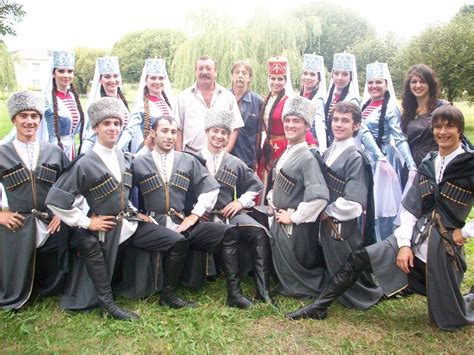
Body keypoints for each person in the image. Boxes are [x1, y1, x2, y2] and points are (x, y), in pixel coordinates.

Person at [286, 104, 474, 331]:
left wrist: (463, 233)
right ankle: (319, 306)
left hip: (443, 248)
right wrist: (404, 244)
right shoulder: (429, 163)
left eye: (449, 127)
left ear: (460, 130)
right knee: (361, 257)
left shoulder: (469, 165)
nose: (442, 132)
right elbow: (412, 207)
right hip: (415, 237)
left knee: (449, 317)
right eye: (438, 127)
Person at [46, 97, 193, 320]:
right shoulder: (85, 162)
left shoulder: (122, 157)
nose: (112, 128)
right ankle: (108, 304)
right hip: (105, 229)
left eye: (116, 123)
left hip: (130, 225)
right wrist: (86, 222)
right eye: (106, 123)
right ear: (95, 127)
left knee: (177, 241)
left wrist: (135, 211)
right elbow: (55, 200)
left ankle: (168, 294)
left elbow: (121, 192)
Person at [132, 115, 254, 309]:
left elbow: (211, 187)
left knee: (228, 233)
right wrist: (135, 213)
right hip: (154, 224)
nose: (170, 136)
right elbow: (121, 191)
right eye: (164, 131)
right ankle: (168, 295)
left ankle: (234, 294)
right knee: (178, 241)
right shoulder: (138, 162)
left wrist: (195, 215)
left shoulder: (187, 160)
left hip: (182, 221)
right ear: (153, 133)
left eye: (173, 132)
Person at [284, 101, 382, 313]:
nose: (339, 124)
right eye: (336, 119)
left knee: (347, 275)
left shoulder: (355, 157)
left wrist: (325, 211)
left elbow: (355, 205)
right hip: (325, 227)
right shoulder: (329, 151)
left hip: (341, 228)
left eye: (345, 121)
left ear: (356, 126)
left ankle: (364, 294)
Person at [0, 91, 70, 310]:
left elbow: (70, 185)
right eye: (23, 116)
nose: (29, 121)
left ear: (40, 120)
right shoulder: (2, 153)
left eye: (34, 116)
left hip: (50, 221)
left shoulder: (54, 151)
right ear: (14, 120)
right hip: (18, 222)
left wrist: (61, 213)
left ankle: (51, 288)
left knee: (70, 240)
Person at [199, 108, 272, 303]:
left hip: (227, 214)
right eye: (215, 131)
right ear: (206, 132)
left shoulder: (234, 162)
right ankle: (234, 291)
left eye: (224, 132)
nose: (219, 136)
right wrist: (195, 212)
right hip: (202, 219)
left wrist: (239, 202)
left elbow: (255, 185)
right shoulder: (193, 159)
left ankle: (262, 290)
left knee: (260, 232)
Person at [268, 95, 329, 297]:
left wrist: (293, 217)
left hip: (294, 228)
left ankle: (311, 284)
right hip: (279, 221)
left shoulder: (308, 157)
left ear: (306, 126)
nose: (290, 125)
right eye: (287, 120)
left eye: (296, 121)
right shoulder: (287, 152)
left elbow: (319, 197)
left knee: (298, 278)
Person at [359, 62, 417, 241]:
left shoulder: (390, 107)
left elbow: (399, 138)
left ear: (386, 84)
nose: (374, 86)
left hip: (383, 162)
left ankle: (384, 248)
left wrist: (411, 165)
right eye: (370, 82)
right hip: (368, 159)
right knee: (367, 206)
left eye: (378, 82)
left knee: (382, 210)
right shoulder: (368, 104)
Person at [256, 57, 316, 201]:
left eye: (280, 79)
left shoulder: (289, 101)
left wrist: (312, 144)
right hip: (267, 149)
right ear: (268, 79)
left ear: (285, 80)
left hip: (283, 147)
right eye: (273, 78)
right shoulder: (266, 99)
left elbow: (298, 124)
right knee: (263, 185)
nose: (276, 82)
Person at [175, 56, 244, 153]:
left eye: (208, 68)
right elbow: (178, 128)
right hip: (190, 155)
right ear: (195, 72)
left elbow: (235, 127)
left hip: (218, 155)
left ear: (215, 72)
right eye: (200, 69)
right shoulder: (183, 97)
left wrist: (226, 151)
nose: (204, 72)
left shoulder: (228, 97)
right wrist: (179, 156)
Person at [117, 58, 173, 154]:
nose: (157, 82)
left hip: (168, 152)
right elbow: (130, 130)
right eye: (153, 78)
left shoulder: (168, 103)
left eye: (161, 78)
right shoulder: (141, 105)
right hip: (150, 153)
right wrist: (116, 150)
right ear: (146, 80)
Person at [42, 51, 86, 159]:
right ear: (53, 73)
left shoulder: (73, 97)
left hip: (71, 149)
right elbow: (25, 122)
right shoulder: (46, 98)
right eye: (61, 71)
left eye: (70, 71)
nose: (66, 75)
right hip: (54, 151)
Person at [401, 64, 448, 167]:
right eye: (414, 82)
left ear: (430, 84)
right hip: (411, 167)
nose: (418, 85)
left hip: (434, 165)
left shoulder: (442, 108)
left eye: (422, 81)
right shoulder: (408, 111)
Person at [82, 56, 130, 153]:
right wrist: (83, 156)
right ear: (100, 80)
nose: (112, 80)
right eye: (107, 76)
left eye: (115, 76)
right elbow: (90, 136)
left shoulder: (122, 102)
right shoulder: (97, 104)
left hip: (123, 152)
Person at [229, 60, 263, 169]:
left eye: (244, 73)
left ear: (249, 78)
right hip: (224, 156)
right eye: (237, 72)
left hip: (246, 158)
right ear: (232, 76)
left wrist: (256, 158)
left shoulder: (257, 101)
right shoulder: (223, 98)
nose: (240, 76)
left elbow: (258, 134)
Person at [325, 52, 360, 145]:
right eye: (336, 73)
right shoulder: (328, 97)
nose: (339, 78)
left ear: (351, 77)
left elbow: (358, 131)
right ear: (332, 75)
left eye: (345, 74)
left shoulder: (352, 100)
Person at [300, 54, 327, 152]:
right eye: (305, 73)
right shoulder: (300, 96)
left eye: (312, 74)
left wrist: (323, 150)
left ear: (318, 78)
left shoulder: (318, 100)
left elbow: (320, 125)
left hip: (311, 145)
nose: (307, 77)